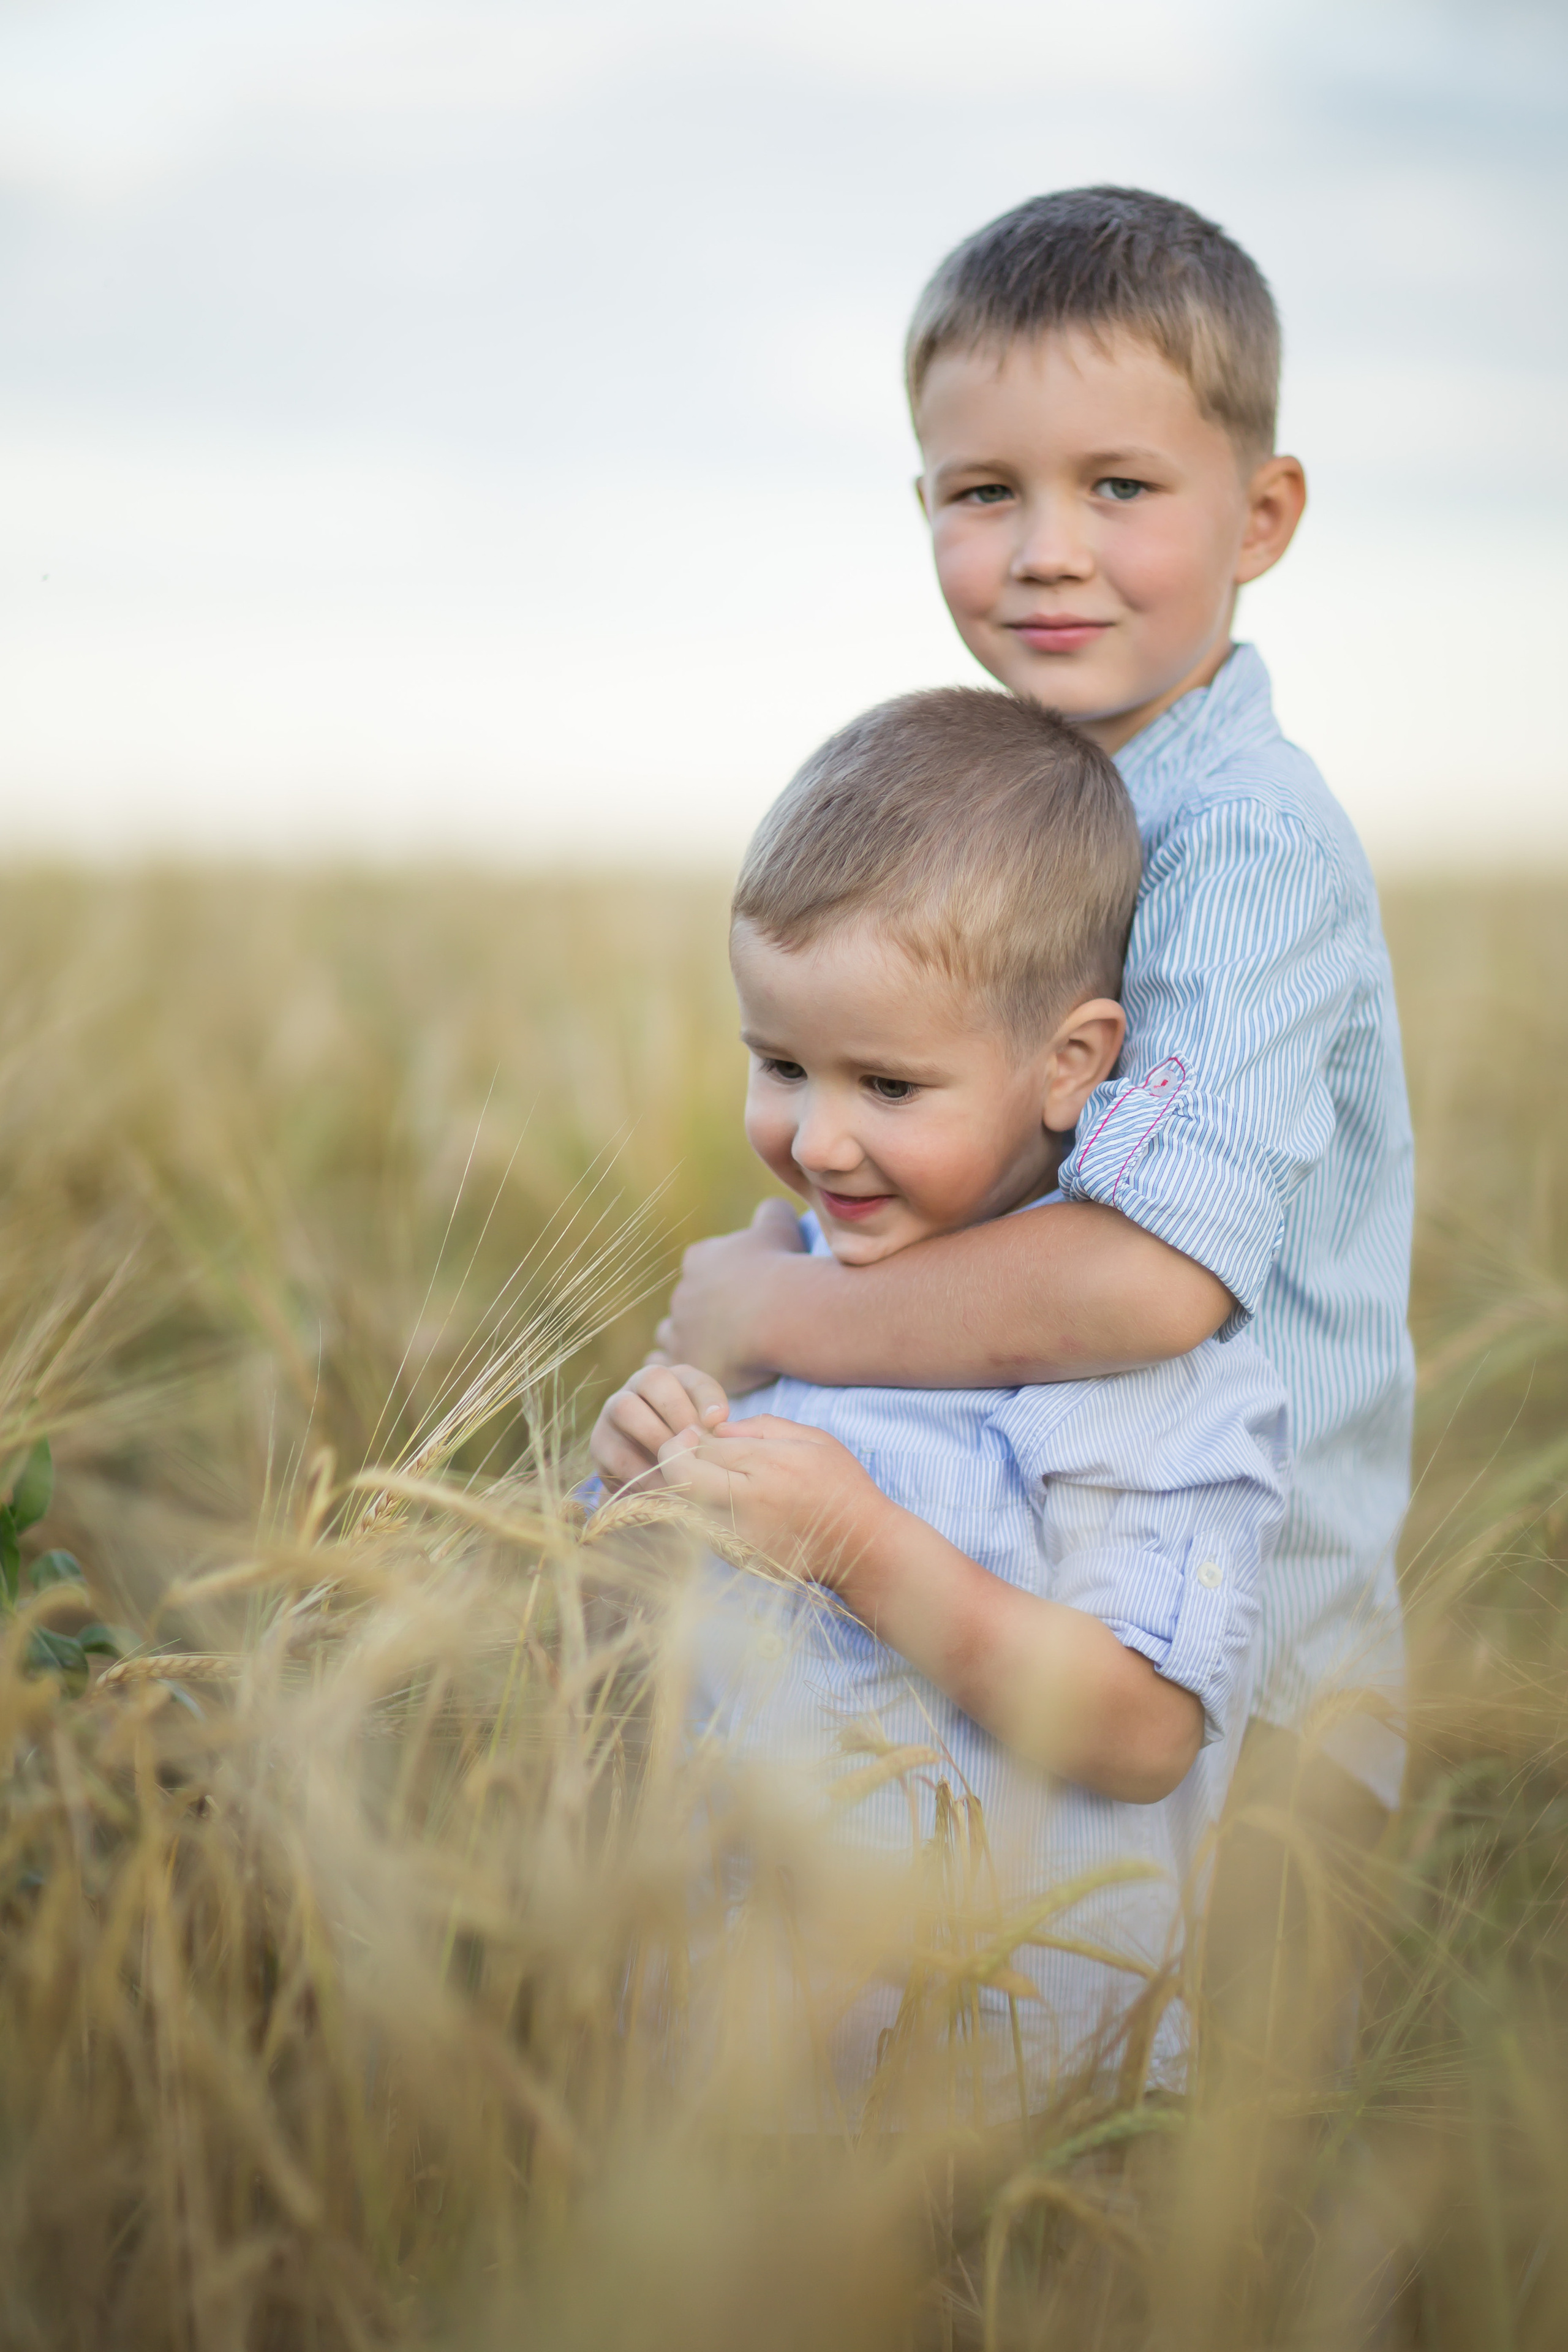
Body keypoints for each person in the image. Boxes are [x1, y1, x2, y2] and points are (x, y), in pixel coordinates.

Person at [652, 192, 1414, 1945]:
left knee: (1206, 2151)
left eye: (1120, 489)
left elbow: (1150, 1279)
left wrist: (770, 1321)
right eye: (983, 492)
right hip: (1000, 1598)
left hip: (1238, 1665)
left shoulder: (1247, 848)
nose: (1044, 551)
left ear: (1265, 514)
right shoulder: (1013, 803)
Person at [592, 688, 1288, 2109]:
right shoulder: (771, 1283)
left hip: (1008, 2106)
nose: (817, 1138)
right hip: (732, 2092)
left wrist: (857, 1546)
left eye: (889, 1085)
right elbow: (619, 1663)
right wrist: (628, 1484)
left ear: (1069, 1065)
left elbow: (1142, 1732)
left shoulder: (1152, 1381)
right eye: (778, 1065)